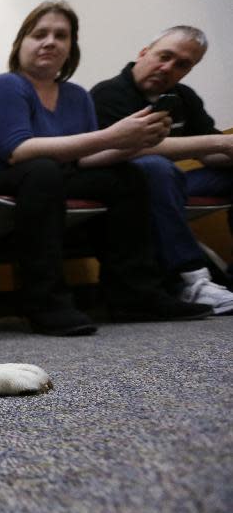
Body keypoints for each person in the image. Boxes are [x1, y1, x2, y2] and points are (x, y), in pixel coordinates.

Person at [0, 0, 212, 336]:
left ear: (70, 49)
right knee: (42, 169)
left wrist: (134, 142)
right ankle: (44, 301)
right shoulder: (5, 86)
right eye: (39, 34)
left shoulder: (77, 96)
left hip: (48, 177)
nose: (50, 41)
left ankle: (135, 294)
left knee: (131, 174)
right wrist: (110, 135)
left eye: (61, 36)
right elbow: (18, 151)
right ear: (21, 44)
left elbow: (86, 161)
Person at [90, 26, 233, 314]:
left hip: (169, 183)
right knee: (155, 167)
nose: (168, 68)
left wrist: (226, 150)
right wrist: (218, 141)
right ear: (144, 53)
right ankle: (193, 280)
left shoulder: (183, 97)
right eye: (164, 56)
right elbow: (134, 149)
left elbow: (210, 154)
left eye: (182, 65)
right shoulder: (109, 93)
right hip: (129, 186)